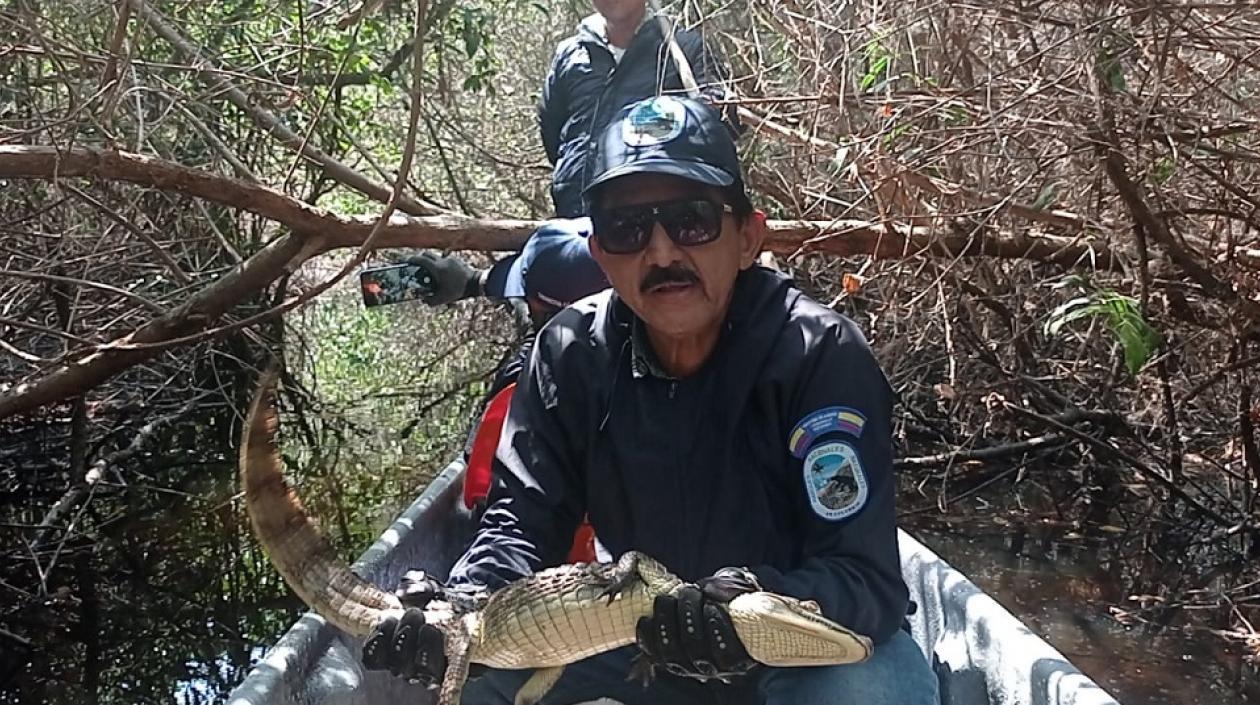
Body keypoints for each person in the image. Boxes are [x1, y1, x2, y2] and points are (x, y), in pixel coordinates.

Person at [363, 96, 940, 705]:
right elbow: (520, 525)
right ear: (601, 255)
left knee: (872, 689)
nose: (662, 253)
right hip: (636, 637)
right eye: (627, 228)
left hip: (787, 638)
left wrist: (743, 602)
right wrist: (462, 605)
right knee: (474, 665)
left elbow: (864, 577)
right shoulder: (569, 353)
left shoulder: (817, 354)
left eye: (692, 221)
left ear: (748, 237)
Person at [407, 0, 736, 309]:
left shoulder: (683, 48)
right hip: (577, 217)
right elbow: (552, 131)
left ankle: (481, 283)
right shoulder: (571, 55)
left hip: (647, 224)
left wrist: (701, 112)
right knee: (561, 281)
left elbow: (723, 125)